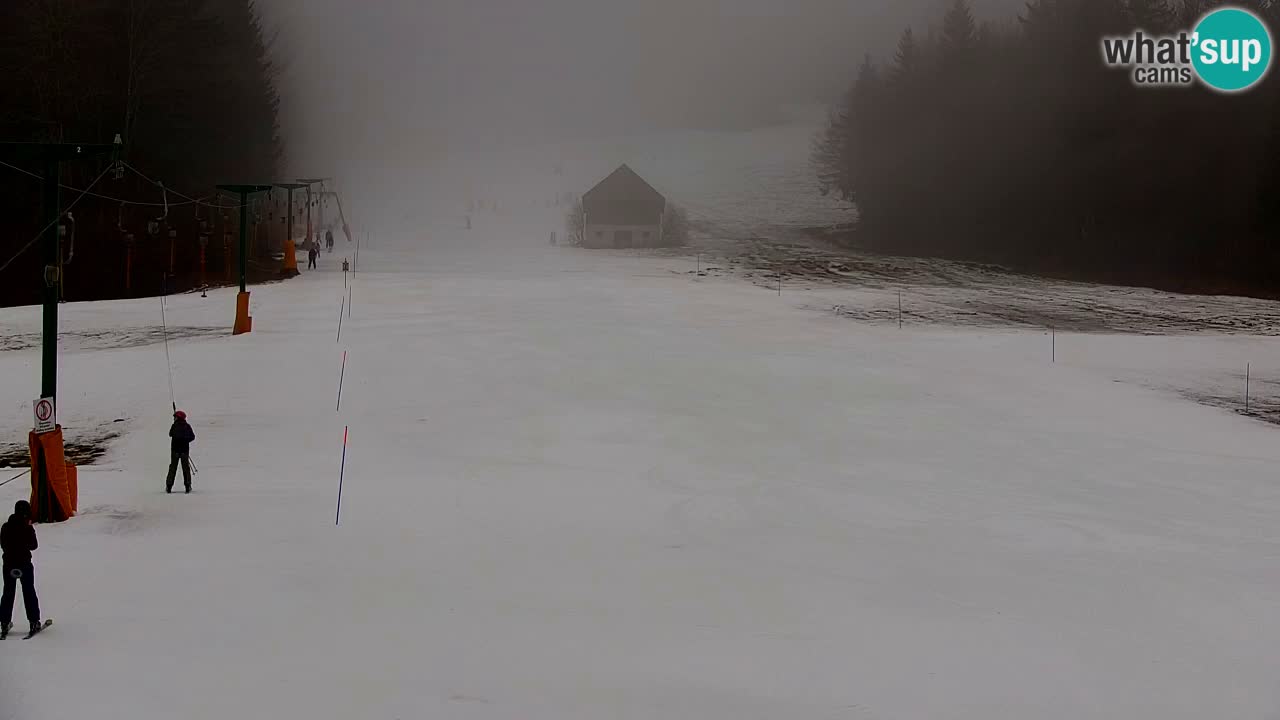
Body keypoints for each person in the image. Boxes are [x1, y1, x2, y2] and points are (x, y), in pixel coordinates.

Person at [1, 500, 41, 639]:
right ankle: (34, 621)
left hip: (8, 565)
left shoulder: (5, 527)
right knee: (28, 591)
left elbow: (3, 545)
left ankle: (4, 622)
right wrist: (29, 528)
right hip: (24, 564)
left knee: (8, 593)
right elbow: (33, 545)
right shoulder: (26, 527)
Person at [167, 410, 196, 494]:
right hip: (184, 450)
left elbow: (170, 434)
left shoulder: (174, 426)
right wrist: (185, 441)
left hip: (175, 451)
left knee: (173, 468)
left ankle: (169, 486)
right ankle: (187, 486)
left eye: (175, 417)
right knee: (186, 468)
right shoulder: (187, 426)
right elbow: (192, 437)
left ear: (178, 417)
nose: (174, 418)